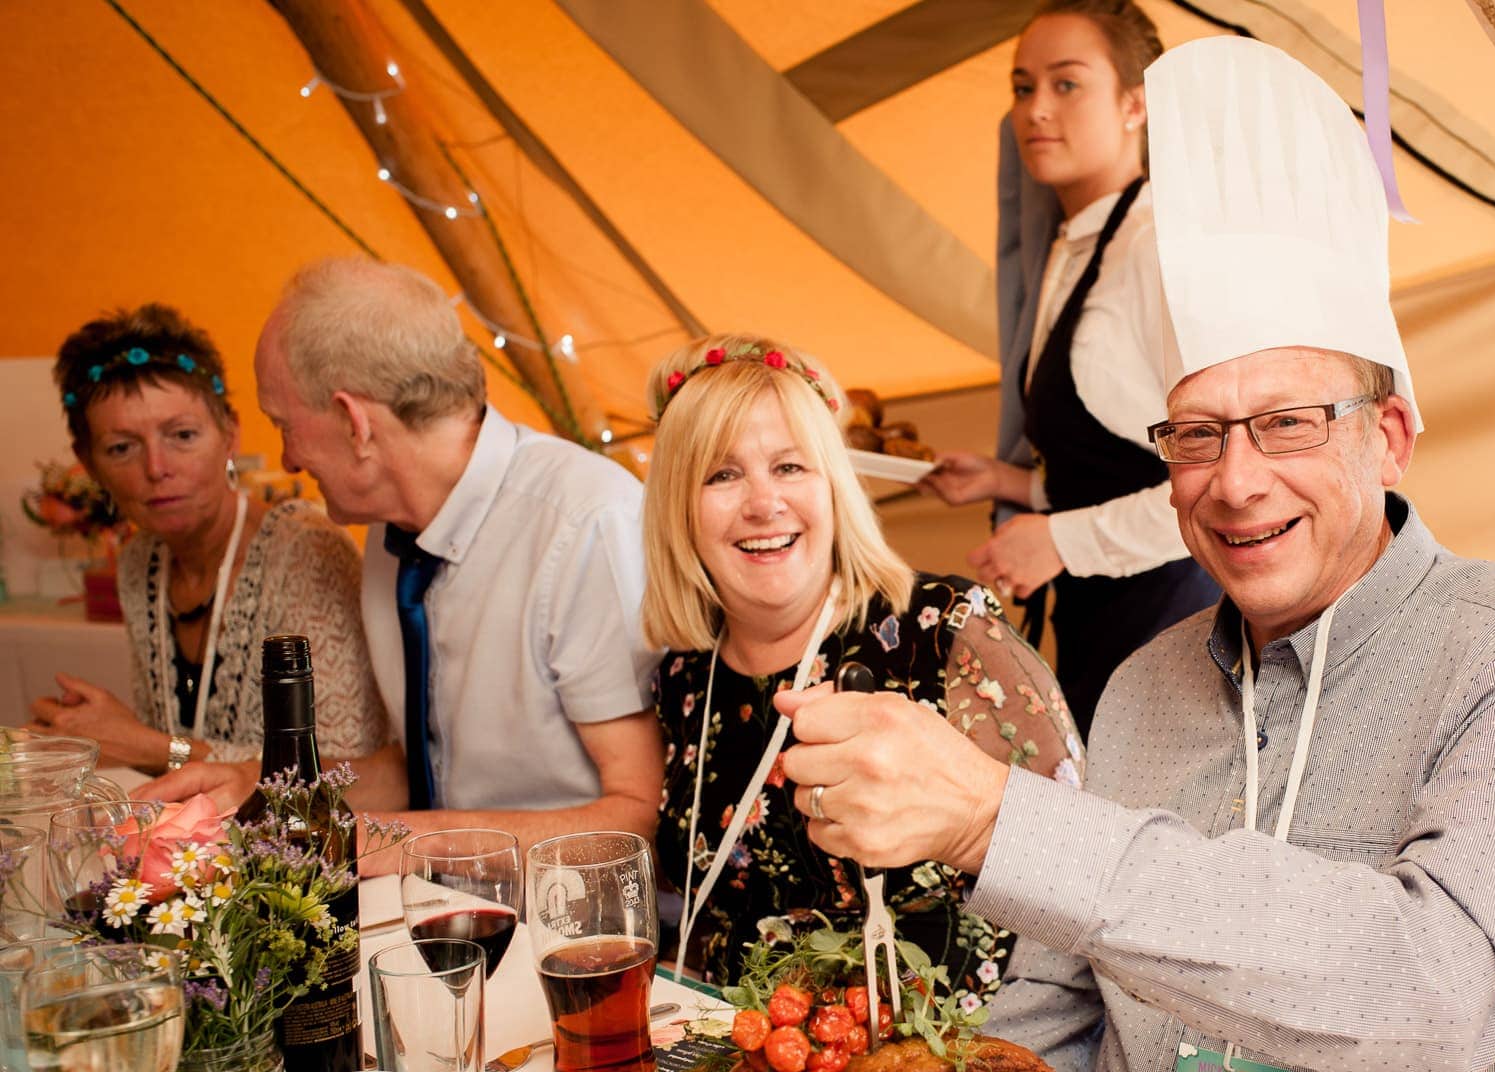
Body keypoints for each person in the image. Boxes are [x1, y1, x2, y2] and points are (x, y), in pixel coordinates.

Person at [772, 39, 1495, 1072]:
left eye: (1287, 422)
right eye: (1198, 435)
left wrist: (990, 816)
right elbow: (1054, 1011)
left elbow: (1443, 986)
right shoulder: (1143, 685)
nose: (1235, 481)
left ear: (1390, 434)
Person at [141, 259, 662, 874]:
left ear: (354, 422)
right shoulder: (393, 531)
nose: (287, 458)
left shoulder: (585, 522)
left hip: (577, 939)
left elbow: (637, 816)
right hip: (447, 912)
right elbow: (424, 770)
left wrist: (378, 844)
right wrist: (260, 789)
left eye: (285, 425)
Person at [643, 333, 1081, 994]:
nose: (764, 503)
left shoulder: (944, 631)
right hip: (740, 1063)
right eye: (722, 474)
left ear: (834, 487)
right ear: (680, 506)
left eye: (790, 467)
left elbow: (1077, 865)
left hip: (946, 1067)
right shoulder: (683, 678)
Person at [917, 0, 1218, 734]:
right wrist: (1006, 482)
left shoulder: (1158, 247)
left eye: (1066, 84)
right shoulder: (1068, 248)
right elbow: (1122, 464)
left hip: (1177, 626)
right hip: (1095, 628)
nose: (1036, 111)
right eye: (1022, 89)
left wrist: (1057, 539)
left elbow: (1219, 480)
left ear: (1135, 104)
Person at [31, 304, 387, 771]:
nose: (157, 468)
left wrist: (146, 746)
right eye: (122, 447)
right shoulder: (141, 564)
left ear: (229, 435)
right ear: (89, 460)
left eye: (182, 435)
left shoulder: (304, 551)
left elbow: (346, 772)